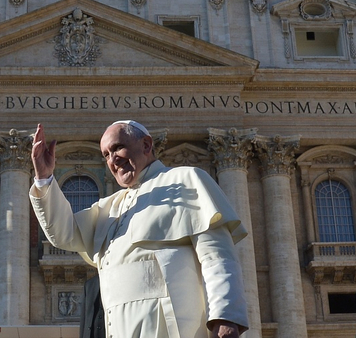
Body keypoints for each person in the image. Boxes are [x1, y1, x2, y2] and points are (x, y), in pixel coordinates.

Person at [29, 120, 249, 338]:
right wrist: (44, 177)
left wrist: (225, 319)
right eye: (106, 154)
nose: (113, 159)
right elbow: (64, 232)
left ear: (146, 145)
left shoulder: (186, 179)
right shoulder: (111, 207)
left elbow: (217, 257)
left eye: (117, 148)